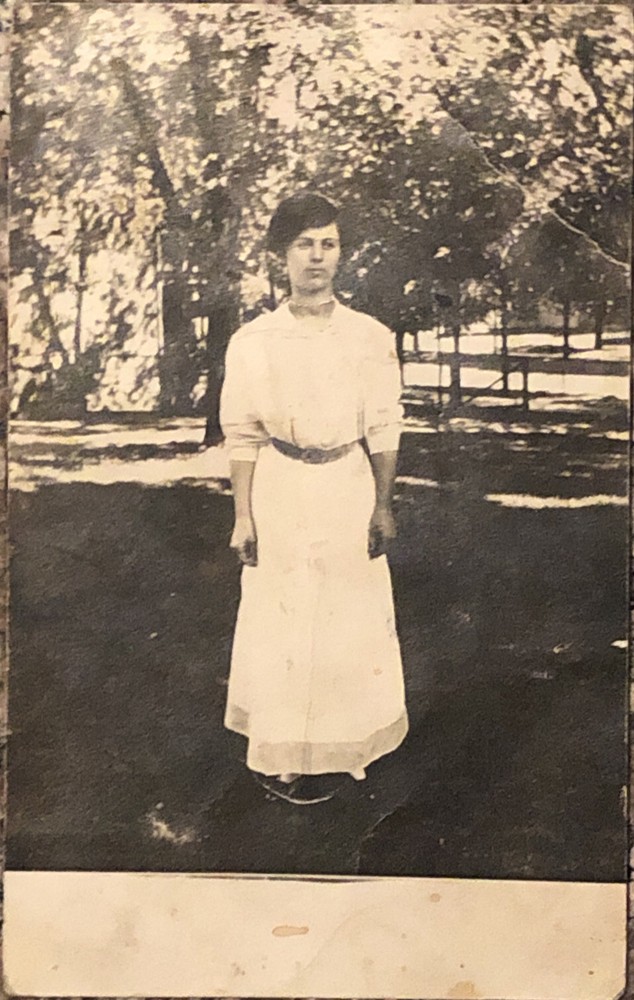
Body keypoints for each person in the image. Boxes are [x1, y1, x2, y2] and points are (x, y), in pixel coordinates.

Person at [219, 192, 408, 804]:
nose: (317, 257)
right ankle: (282, 755)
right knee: (283, 616)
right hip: (280, 485)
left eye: (328, 243)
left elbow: (383, 424)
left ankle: (347, 748)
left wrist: (383, 503)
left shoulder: (369, 336)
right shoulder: (254, 340)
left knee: (346, 619)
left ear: (341, 253)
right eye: (304, 244)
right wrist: (243, 515)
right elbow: (243, 431)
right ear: (282, 256)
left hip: (346, 485)